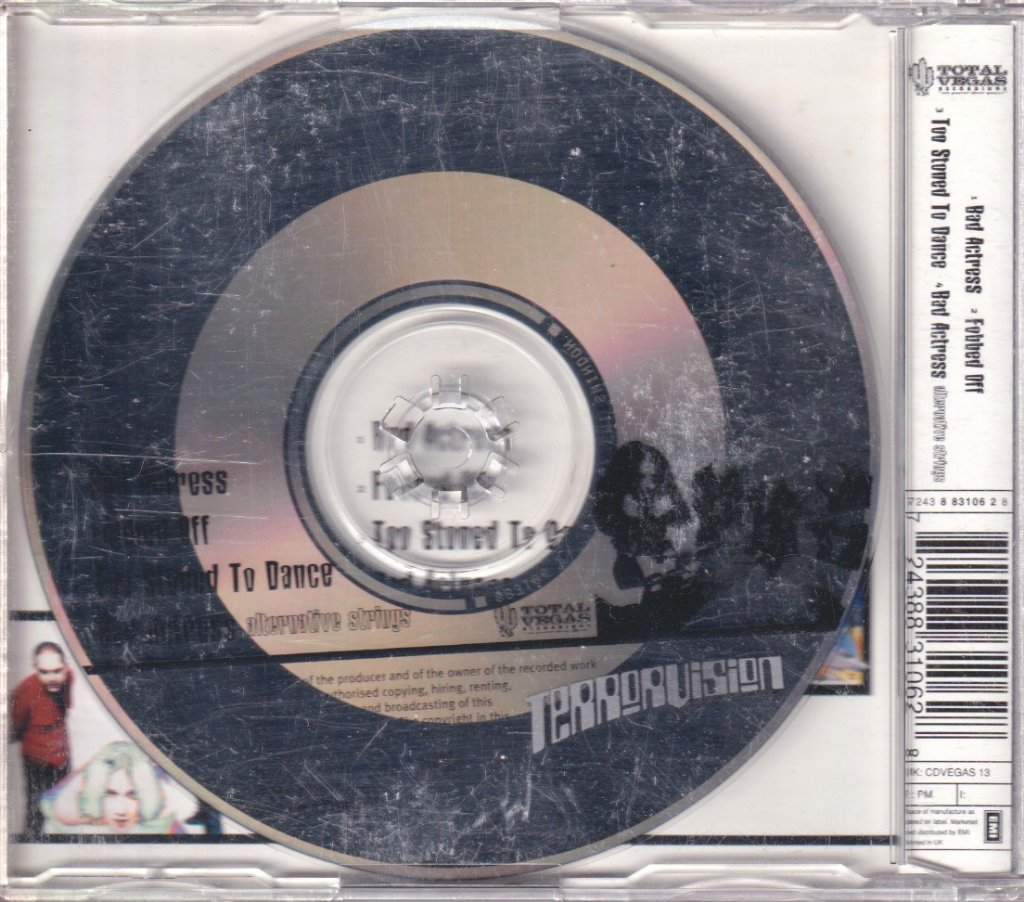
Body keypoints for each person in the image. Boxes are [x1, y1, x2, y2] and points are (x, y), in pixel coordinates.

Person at [42, 741, 195, 834]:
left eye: (133, 795)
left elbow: (187, 806)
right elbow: (51, 804)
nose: (121, 811)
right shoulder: (67, 826)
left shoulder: (168, 826)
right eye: (109, 794)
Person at [11, 641, 73, 840]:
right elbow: (14, 725)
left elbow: (66, 707)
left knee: (63, 807)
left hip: (61, 756)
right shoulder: (25, 691)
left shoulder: (69, 678)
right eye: (44, 672)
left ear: (65, 667)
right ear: (36, 669)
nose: (52, 678)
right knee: (36, 809)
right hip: (36, 759)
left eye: (57, 671)